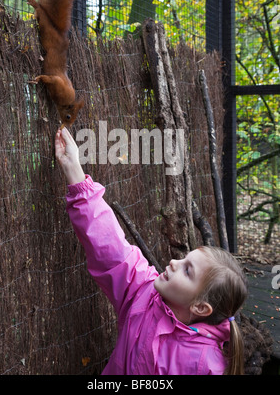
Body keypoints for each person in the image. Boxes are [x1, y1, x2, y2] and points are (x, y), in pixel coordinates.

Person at [55, 127, 248, 375]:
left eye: (188, 271)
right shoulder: (144, 295)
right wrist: (75, 173)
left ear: (200, 307)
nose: (174, 263)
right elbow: (111, 246)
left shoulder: (205, 366)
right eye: (184, 259)